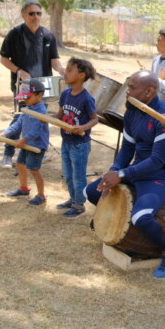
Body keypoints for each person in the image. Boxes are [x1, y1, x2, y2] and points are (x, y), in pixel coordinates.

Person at [84, 72, 165, 279]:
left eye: (132, 88)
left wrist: (122, 174)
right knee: (91, 192)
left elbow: (157, 161)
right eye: (127, 87)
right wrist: (113, 172)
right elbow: (127, 150)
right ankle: (113, 224)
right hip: (138, 172)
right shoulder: (131, 112)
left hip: (162, 178)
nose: (127, 92)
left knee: (140, 216)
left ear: (149, 91)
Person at [0, 0, 65, 168]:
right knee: (20, 117)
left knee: (41, 119)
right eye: (31, 13)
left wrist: (64, 72)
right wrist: (19, 71)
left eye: (39, 13)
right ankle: (8, 154)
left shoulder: (48, 35)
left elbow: (55, 62)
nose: (36, 17)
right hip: (24, 85)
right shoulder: (14, 34)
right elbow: (4, 59)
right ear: (23, 15)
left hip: (43, 85)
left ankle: (38, 153)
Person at [53, 57, 99, 218]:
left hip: (80, 144)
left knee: (77, 176)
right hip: (66, 141)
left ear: (81, 76)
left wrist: (83, 128)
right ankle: (73, 199)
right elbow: (59, 115)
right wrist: (46, 117)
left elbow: (95, 119)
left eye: (70, 70)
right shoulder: (65, 94)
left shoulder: (86, 98)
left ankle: (79, 206)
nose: (65, 72)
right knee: (67, 174)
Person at [3, 78, 50, 206]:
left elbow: (36, 129)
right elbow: (19, 124)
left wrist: (23, 139)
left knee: (34, 170)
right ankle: (23, 189)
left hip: (37, 145)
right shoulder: (28, 106)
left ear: (39, 95)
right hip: (26, 143)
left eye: (28, 97)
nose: (25, 100)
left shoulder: (41, 111)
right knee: (20, 164)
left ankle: (41, 195)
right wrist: (6, 132)